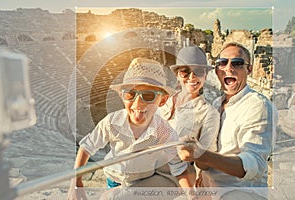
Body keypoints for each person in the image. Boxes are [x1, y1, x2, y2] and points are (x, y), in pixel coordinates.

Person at [68, 58, 192, 200]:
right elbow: (87, 147)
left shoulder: (164, 131)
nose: (138, 103)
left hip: (141, 182)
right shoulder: (112, 122)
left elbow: (178, 168)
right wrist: (76, 183)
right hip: (114, 180)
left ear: (162, 101)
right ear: (122, 96)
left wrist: (192, 196)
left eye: (148, 95)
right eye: (130, 94)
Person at [177, 42, 277, 200]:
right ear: (216, 70)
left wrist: (201, 155)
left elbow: (254, 165)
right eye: (222, 63)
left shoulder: (258, 106)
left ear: (249, 69)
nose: (229, 68)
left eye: (237, 63)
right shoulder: (216, 104)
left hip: (242, 192)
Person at [159, 46, 220, 187]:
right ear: (177, 74)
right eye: (185, 72)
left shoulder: (208, 113)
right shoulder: (164, 100)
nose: (192, 77)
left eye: (198, 71)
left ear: (205, 75)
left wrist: (193, 150)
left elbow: (206, 158)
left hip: (175, 177)